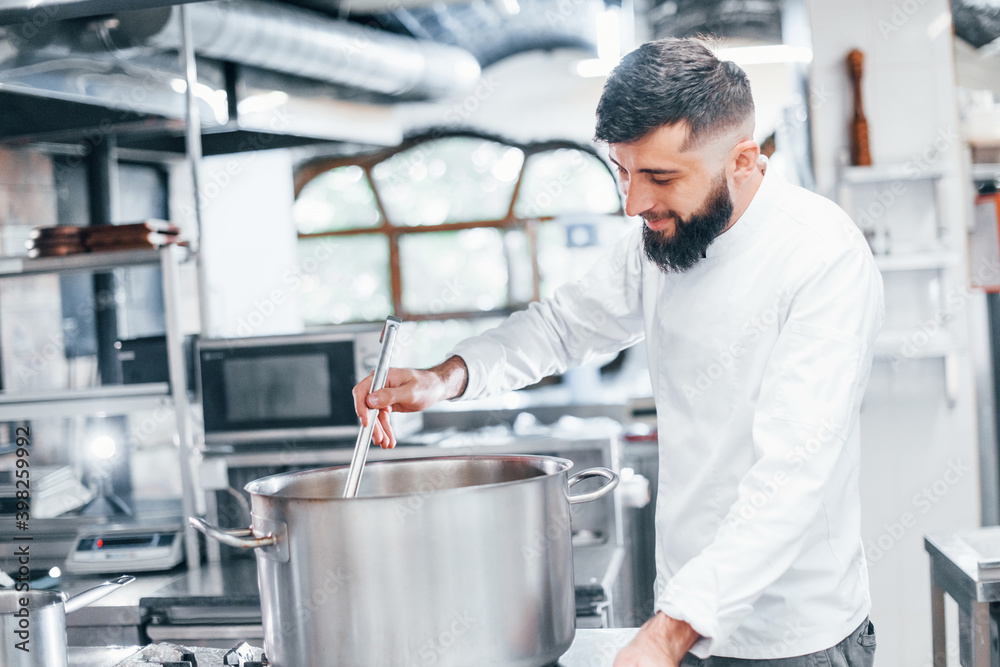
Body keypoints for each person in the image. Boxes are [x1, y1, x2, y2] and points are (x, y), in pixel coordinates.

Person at [353, 38, 883, 666]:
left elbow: (791, 478)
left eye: (660, 177)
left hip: (794, 638)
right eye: (622, 171)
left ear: (743, 160)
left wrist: (666, 636)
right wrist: (446, 378)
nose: (634, 203)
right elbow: (561, 328)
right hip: (684, 618)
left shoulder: (822, 258)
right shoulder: (659, 236)